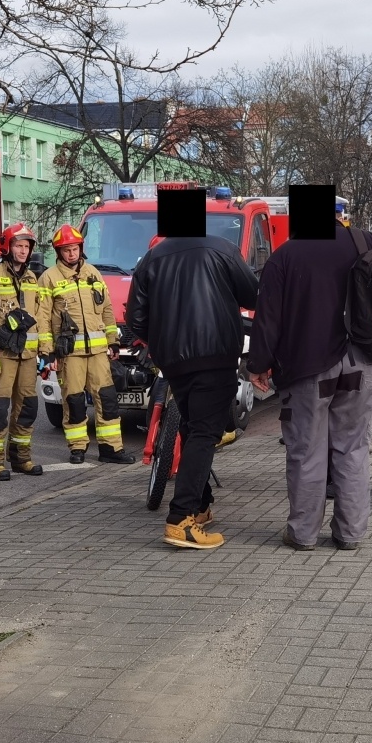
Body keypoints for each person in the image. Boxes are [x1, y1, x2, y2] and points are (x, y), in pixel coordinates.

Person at [248, 218, 372, 551]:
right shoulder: (366, 241)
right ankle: (350, 534)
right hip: (361, 362)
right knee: (352, 449)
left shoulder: (285, 255)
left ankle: (303, 534)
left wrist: (258, 364)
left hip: (306, 369)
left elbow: (268, 317)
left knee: (306, 452)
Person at [125, 225, 258, 550]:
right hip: (215, 356)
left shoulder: (152, 258)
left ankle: (199, 505)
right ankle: (181, 519)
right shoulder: (222, 249)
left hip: (174, 362)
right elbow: (253, 294)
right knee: (203, 434)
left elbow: (136, 317)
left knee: (191, 426)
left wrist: (160, 341)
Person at [39, 224, 135, 464]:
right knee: (74, 401)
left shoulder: (93, 273)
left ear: (81, 248)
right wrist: (48, 353)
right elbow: (42, 318)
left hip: (99, 352)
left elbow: (107, 309)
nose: (71, 254)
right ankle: (77, 448)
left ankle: (111, 449)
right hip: (69, 353)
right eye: (66, 250)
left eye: (75, 249)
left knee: (108, 399)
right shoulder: (49, 278)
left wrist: (113, 341)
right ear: (59, 252)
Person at [0, 223, 45, 480]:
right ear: (7, 247)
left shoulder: (31, 278)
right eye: (18, 245)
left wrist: (43, 352)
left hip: (27, 355)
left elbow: (39, 316)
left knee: (27, 407)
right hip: (2, 354)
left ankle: (21, 458)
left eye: (27, 246)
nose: (23, 251)